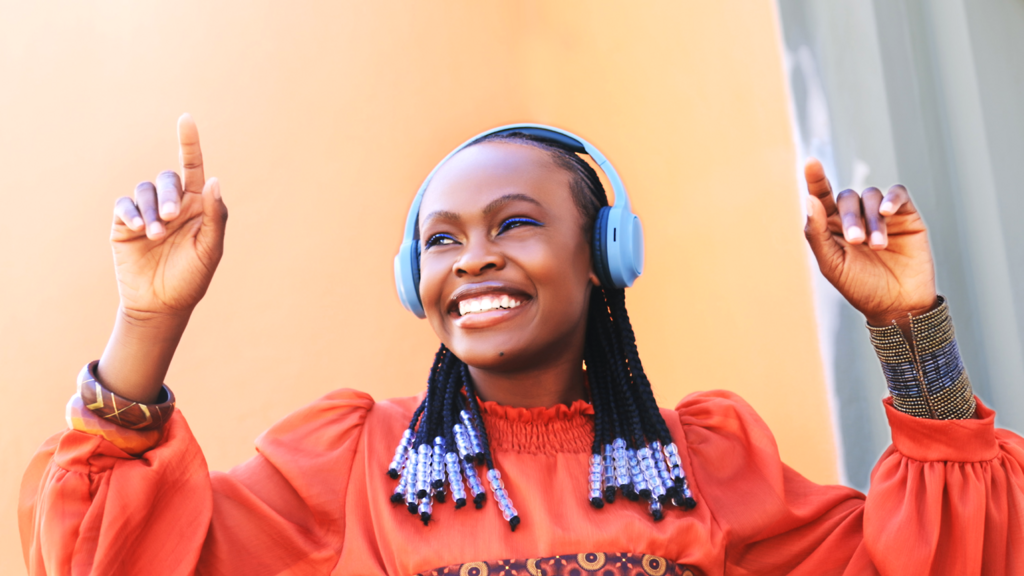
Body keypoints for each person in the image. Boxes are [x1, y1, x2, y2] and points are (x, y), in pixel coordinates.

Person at [19, 115, 1024, 576]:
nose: (473, 260)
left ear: (605, 253)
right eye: (443, 240)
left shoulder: (705, 463)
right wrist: (149, 321)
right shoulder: (355, 461)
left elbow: (940, 562)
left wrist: (905, 326)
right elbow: (115, 559)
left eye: (514, 224)